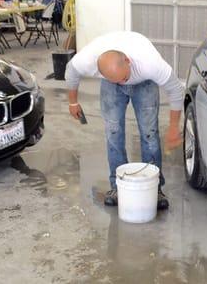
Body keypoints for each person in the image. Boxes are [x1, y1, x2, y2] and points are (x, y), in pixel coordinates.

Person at [65, 31, 184, 209]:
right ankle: (117, 186)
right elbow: (71, 71)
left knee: (149, 134)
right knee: (113, 132)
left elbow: (176, 89)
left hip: (144, 83)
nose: (123, 83)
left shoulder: (149, 63)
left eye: (124, 79)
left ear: (128, 61)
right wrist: (72, 102)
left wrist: (174, 127)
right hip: (110, 84)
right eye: (118, 80)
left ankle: (155, 188)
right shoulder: (88, 60)